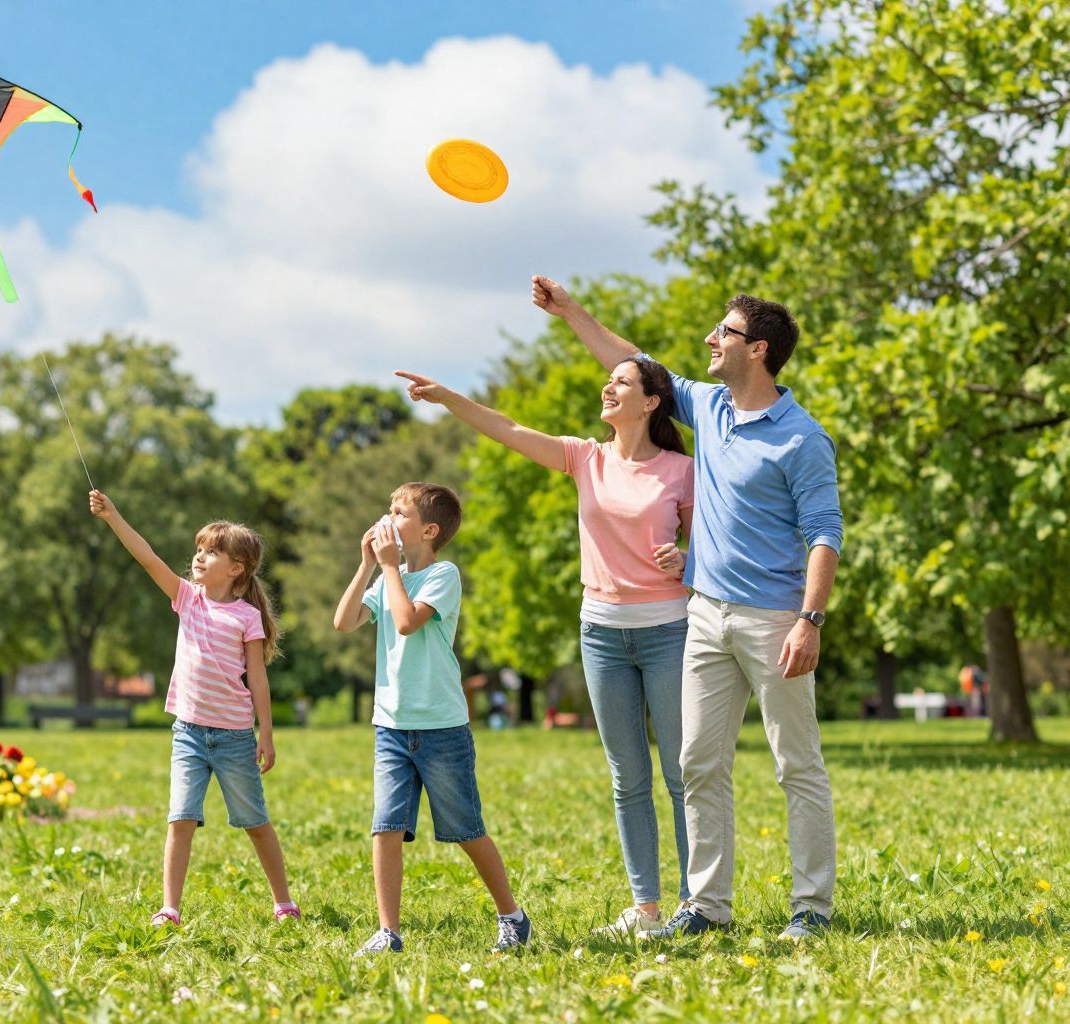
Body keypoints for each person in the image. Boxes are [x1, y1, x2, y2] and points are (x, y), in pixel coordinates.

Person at [532, 276, 842, 943]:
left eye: (723, 331)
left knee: (796, 765)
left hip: (774, 621)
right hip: (703, 615)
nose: (710, 339)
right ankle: (707, 906)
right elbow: (634, 359)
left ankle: (811, 908)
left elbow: (825, 533)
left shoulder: (802, 438)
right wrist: (571, 311)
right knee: (697, 764)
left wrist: (810, 619)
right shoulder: (710, 406)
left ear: (757, 349)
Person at [394, 363, 694, 938]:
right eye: (609, 380)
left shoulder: (681, 471)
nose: (608, 387)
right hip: (601, 632)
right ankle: (646, 907)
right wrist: (449, 397)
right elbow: (507, 428)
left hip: (667, 630)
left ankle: (694, 902)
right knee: (627, 776)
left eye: (622, 382)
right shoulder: (585, 458)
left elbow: (709, 544)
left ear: (652, 402)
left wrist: (686, 559)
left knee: (682, 773)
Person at [333, 481, 532, 954]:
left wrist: (388, 568)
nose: (388, 519)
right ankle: (388, 932)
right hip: (391, 726)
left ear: (429, 530)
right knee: (385, 827)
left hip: (442, 729)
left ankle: (512, 915)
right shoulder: (388, 576)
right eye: (389, 509)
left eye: (399, 513)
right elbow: (344, 622)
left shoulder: (444, 575)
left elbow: (406, 622)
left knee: (466, 829)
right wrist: (368, 566)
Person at [88, 490, 299, 927]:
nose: (199, 557)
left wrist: (267, 734)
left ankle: (283, 903)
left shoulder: (246, 617)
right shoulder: (187, 598)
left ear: (236, 568)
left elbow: (258, 679)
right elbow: (147, 558)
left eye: (212, 552)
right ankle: (170, 908)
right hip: (188, 733)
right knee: (180, 819)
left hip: (235, 738)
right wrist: (113, 517)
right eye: (198, 549)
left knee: (255, 822)